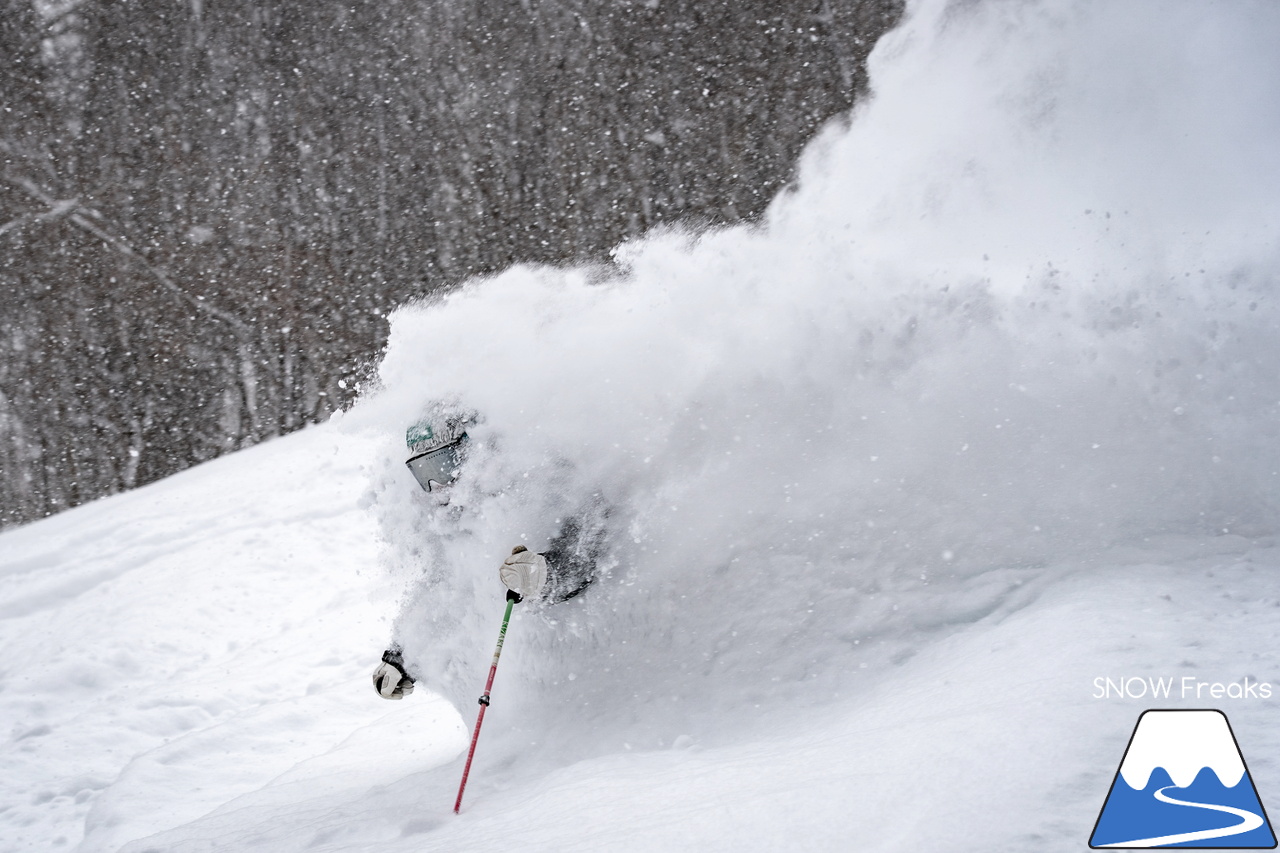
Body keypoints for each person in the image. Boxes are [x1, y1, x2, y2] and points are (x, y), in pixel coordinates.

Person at [372, 415, 605, 700]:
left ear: (473, 451)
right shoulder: (450, 520)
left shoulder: (539, 477)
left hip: (591, 682)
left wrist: (547, 575)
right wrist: (402, 657)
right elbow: (444, 590)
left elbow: (594, 551)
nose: (436, 486)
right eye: (423, 473)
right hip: (524, 701)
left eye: (442, 466)